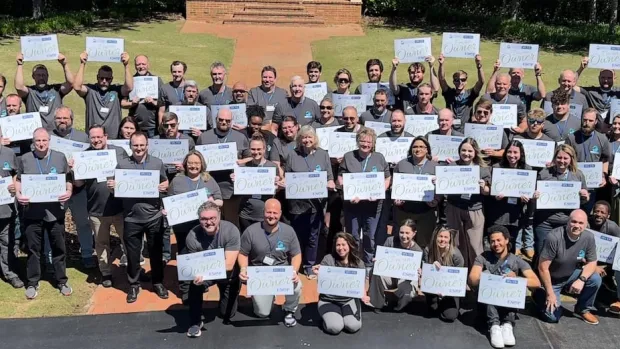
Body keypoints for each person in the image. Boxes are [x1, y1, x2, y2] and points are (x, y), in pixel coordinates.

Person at [110, 132, 169, 303]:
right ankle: (134, 285)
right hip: (131, 218)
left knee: (156, 253)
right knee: (133, 255)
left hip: (153, 216)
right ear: (130, 146)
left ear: (147, 145)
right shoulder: (122, 165)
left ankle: (158, 282)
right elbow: (116, 190)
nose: (139, 148)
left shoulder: (157, 163)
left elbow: (165, 184)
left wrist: (165, 185)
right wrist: (112, 187)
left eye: (142, 145)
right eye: (135, 145)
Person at [16, 128, 72, 299]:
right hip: (33, 212)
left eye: (44, 140)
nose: (41, 144)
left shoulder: (59, 157)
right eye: (37, 141)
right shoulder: (25, 159)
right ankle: (32, 282)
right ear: (33, 142)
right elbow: (18, 180)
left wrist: (68, 191)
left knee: (59, 248)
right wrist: (19, 195)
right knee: (33, 250)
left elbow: (68, 179)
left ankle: (61, 280)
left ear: (49, 141)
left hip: (55, 212)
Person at [73, 124, 127, 287]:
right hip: (96, 209)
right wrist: (73, 169)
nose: (96, 140)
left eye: (99, 137)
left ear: (106, 136)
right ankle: (106, 273)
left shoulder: (119, 152)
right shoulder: (84, 156)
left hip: (119, 207)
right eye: (93, 137)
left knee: (128, 240)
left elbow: (129, 173)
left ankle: (133, 269)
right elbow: (78, 183)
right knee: (101, 244)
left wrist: (120, 182)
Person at [469, 225, 541, 349]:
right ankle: (494, 326)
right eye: (492, 241)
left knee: (517, 283)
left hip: (507, 305)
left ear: (506, 240)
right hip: (487, 307)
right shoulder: (483, 257)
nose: (496, 244)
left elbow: (536, 282)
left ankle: (507, 324)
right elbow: (472, 279)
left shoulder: (516, 260)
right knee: (486, 275)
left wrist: (516, 279)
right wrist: (490, 280)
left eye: (499, 240)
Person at [167, 150, 222, 302]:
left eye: (196, 163)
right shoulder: (177, 180)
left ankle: (202, 283)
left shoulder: (208, 179)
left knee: (202, 254)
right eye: (190, 163)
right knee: (185, 255)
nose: (193, 166)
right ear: (185, 164)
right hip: (183, 226)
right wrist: (167, 210)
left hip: (204, 225)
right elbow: (169, 199)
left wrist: (211, 202)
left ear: (201, 164)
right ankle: (185, 289)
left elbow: (220, 200)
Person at [238, 199, 302, 327]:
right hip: (260, 273)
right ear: (263, 212)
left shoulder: (289, 231)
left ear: (280, 213)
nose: (271, 216)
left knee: (297, 285)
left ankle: (289, 310)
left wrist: (294, 271)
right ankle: (268, 298)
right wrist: (243, 269)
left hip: (281, 271)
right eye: (268, 212)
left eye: (275, 213)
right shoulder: (251, 231)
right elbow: (243, 253)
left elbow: (296, 254)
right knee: (262, 313)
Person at [284, 126, 335, 277]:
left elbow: (329, 176)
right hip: (297, 204)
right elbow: (287, 177)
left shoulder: (322, 155)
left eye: (309, 137)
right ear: (299, 139)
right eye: (303, 138)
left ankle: (309, 266)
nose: (306, 140)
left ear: (315, 139)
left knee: (313, 236)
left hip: (317, 204)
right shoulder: (292, 154)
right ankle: (295, 265)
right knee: (298, 236)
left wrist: (330, 183)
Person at [534, 209, 601, 325]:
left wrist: (581, 279)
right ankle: (539, 295)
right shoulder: (554, 237)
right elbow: (542, 268)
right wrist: (550, 293)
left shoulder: (589, 237)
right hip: (552, 279)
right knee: (552, 317)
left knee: (595, 278)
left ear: (586, 225)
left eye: (581, 223)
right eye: (574, 222)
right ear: (567, 222)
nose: (577, 226)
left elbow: (592, 262)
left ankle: (583, 309)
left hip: (571, 274)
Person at [184, 202, 240, 338]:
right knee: (195, 286)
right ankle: (195, 322)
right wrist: (196, 277)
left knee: (227, 313)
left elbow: (229, 265)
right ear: (199, 219)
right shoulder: (192, 236)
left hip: (228, 275)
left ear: (219, 217)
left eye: (212, 218)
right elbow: (194, 266)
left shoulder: (231, 230)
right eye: (204, 219)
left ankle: (227, 296)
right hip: (206, 274)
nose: (209, 222)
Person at [339, 127, 391, 270]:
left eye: (369, 142)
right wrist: (348, 192)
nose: (365, 144)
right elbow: (340, 177)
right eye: (362, 141)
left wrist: (380, 191)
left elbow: (387, 177)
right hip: (353, 205)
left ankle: (368, 264)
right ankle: (354, 262)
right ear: (357, 141)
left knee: (369, 236)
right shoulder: (349, 156)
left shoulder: (379, 157)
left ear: (373, 143)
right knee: (353, 235)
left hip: (373, 206)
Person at [52, 106, 94, 268]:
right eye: (59, 119)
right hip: (57, 190)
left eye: (65, 118)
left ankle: (87, 254)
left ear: (71, 120)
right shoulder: (48, 137)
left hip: (79, 189)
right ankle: (54, 257)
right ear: (54, 120)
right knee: (55, 224)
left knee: (83, 223)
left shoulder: (82, 138)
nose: (62, 121)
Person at [196, 109, 250, 227]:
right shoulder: (204, 137)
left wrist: (240, 168)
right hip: (209, 188)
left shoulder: (240, 137)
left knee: (231, 223)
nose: (224, 122)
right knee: (210, 222)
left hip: (232, 190)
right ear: (216, 120)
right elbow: (196, 160)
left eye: (227, 120)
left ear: (231, 121)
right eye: (221, 120)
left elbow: (249, 159)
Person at [534, 144, 589, 254]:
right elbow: (534, 197)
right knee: (543, 252)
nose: (562, 161)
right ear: (554, 158)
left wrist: (585, 196)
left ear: (571, 159)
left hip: (567, 221)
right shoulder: (544, 173)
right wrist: (535, 196)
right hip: (545, 221)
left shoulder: (578, 175)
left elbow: (583, 201)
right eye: (559, 157)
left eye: (565, 158)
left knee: (564, 253)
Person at [445, 138, 491, 267]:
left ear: (475, 152)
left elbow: (488, 192)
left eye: (470, 151)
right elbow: (444, 186)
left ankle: (476, 276)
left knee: (475, 245)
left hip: (474, 209)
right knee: (456, 243)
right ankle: (460, 275)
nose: (466, 153)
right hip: (454, 208)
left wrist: (483, 187)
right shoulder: (452, 166)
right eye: (463, 150)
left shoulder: (482, 169)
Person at [312, 232, 368, 334]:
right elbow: (323, 284)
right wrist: (319, 274)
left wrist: (363, 295)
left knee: (353, 326)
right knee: (335, 328)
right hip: (329, 300)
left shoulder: (358, 263)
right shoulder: (328, 259)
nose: (340, 248)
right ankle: (327, 319)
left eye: (343, 244)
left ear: (350, 245)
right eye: (338, 245)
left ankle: (340, 316)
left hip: (349, 300)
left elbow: (361, 284)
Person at [487, 141, 535, 253]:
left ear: (521, 154)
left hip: (516, 214)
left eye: (515, 152)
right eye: (509, 152)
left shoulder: (527, 169)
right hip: (498, 213)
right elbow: (489, 191)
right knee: (496, 244)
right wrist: (495, 196)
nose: (512, 155)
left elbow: (530, 191)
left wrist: (526, 198)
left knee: (512, 247)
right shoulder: (496, 167)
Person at [74, 51, 133, 138]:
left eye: (107, 79)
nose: (104, 81)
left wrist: (126, 65)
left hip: (113, 139)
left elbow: (129, 87)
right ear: (97, 78)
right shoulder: (91, 90)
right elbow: (77, 87)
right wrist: (82, 64)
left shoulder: (116, 90)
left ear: (111, 79)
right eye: (101, 78)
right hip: (93, 138)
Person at [393, 136, 438, 247]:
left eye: (422, 147)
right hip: (405, 210)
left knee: (424, 243)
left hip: (426, 211)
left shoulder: (435, 166)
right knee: (403, 241)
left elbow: (440, 188)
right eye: (415, 147)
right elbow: (394, 185)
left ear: (427, 149)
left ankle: (422, 264)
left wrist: (436, 200)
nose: (418, 149)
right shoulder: (402, 164)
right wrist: (395, 199)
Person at [368, 219, 422, 310]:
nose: (404, 236)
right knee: (375, 271)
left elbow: (417, 274)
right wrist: (378, 261)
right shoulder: (390, 241)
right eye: (401, 232)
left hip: (405, 279)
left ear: (414, 233)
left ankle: (399, 304)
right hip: (390, 276)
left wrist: (419, 271)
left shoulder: (417, 250)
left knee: (408, 292)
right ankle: (377, 303)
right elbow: (382, 259)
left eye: (407, 233)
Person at [565, 107, 610, 212]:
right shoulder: (571, 138)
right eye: (585, 120)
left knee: (588, 213)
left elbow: (605, 159)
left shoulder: (602, 139)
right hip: (574, 183)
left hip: (592, 185)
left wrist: (603, 175)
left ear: (596, 121)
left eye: (590, 120)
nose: (587, 123)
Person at [15, 52, 74, 130]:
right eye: (38, 75)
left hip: (55, 133)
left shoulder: (56, 90)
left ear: (48, 76)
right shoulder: (30, 92)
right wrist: (20, 65)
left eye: (44, 75)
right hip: (36, 134)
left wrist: (64, 64)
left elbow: (71, 83)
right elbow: (19, 87)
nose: (41, 78)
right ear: (33, 76)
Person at [236, 134, 280, 232]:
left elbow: (276, 189)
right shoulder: (243, 168)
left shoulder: (272, 167)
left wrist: (277, 185)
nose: (256, 152)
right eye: (253, 149)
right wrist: (236, 179)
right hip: (246, 213)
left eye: (259, 149)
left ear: (264, 149)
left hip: (264, 214)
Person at [422, 226, 464, 322]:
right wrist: (431, 268)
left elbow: (460, 278)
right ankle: (435, 301)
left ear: (450, 239)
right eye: (440, 236)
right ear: (435, 237)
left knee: (451, 316)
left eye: (446, 237)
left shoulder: (456, 254)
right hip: (433, 288)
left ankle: (447, 303)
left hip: (449, 290)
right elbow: (425, 273)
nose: (442, 240)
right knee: (432, 311)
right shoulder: (428, 250)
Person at [437, 53, 484, 131]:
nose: (460, 82)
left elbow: (481, 81)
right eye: (456, 80)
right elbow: (441, 79)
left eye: (463, 80)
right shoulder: (449, 93)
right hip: (450, 129)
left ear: (466, 81)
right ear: (453, 82)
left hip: (466, 129)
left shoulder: (471, 94)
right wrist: (441, 64)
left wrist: (479, 65)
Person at [121, 54, 164, 138]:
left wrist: (153, 102)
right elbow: (123, 103)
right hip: (135, 127)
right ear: (135, 66)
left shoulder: (156, 80)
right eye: (138, 64)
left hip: (153, 127)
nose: (141, 66)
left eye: (143, 64)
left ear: (148, 65)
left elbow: (163, 103)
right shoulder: (131, 80)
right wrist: (132, 103)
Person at [0, 124, 20, 288]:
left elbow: (15, 175)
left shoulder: (9, 153)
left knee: (7, 241)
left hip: (6, 206)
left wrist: (14, 186)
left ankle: (9, 273)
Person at [468, 100, 509, 164]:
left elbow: (507, 151)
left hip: (492, 164)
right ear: (475, 113)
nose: (482, 114)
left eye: (486, 112)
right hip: (472, 163)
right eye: (479, 112)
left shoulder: (498, 130)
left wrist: (495, 153)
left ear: (491, 114)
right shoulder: (468, 129)